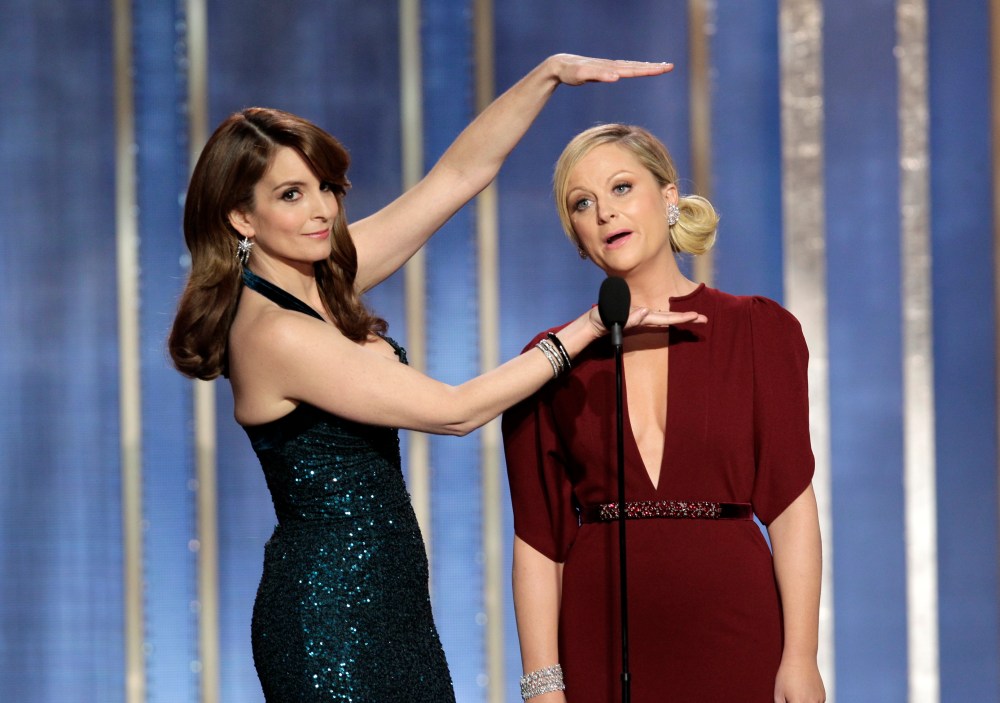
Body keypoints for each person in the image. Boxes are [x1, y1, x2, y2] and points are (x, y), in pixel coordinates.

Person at [167, 57, 701, 702]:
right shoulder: (274, 331)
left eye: (326, 187)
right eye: (290, 195)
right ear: (241, 219)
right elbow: (454, 411)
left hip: (391, 604)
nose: (320, 212)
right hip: (331, 615)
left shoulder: (323, 281)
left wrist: (548, 77)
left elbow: (458, 176)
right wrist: (583, 331)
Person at [501, 123, 826, 703]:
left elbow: (790, 504)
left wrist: (800, 658)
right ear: (577, 236)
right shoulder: (548, 361)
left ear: (669, 196)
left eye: (622, 188)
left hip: (735, 633)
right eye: (583, 203)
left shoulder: (758, 329)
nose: (604, 213)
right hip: (598, 640)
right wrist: (542, 686)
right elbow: (538, 539)